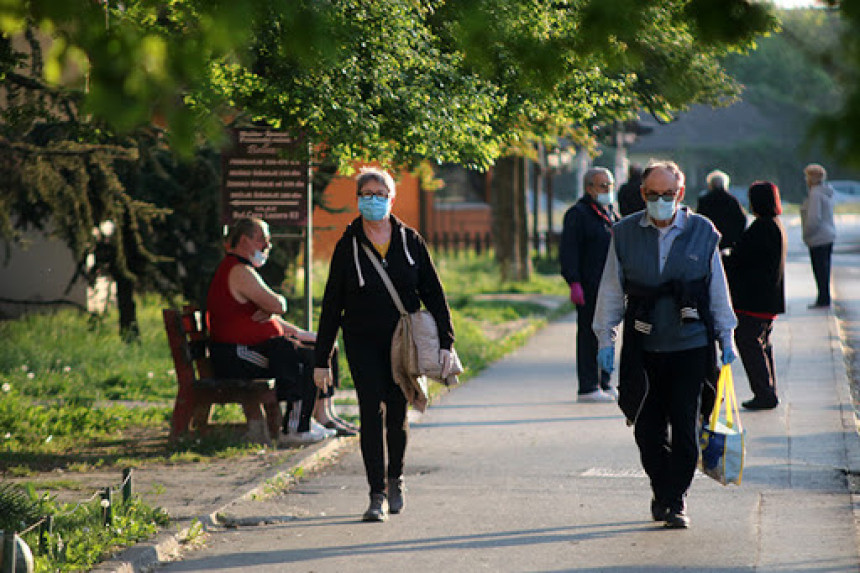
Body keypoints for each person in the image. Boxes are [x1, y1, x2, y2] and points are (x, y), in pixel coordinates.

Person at [593, 160, 737, 529]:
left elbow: (716, 291)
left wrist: (727, 336)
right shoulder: (624, 233)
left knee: (686, 428)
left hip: (691, 345)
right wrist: (604, 338)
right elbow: (611, 289)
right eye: (653, 195)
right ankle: (662, 488)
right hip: (644, 347)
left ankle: (676, 500)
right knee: (647, 430)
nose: (661, 201)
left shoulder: (702, 232)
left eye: (668, 195)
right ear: (642, 194)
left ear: (681, 194)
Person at [312, 167, 456, 522]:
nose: (373, 200)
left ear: (391, 199)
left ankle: (396, 479)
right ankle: (376, 494)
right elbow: (332, 303)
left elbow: (434, 293)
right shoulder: (349, 244)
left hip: (402, 342)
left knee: (396, 411)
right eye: (366, 194)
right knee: (370, 412)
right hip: (361, 340)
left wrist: (446, 342)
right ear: (358, 198)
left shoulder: (410, 241)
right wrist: (322, 358)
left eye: (380, 194)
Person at [207, 217, 338, 446]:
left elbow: (272, 313)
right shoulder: (238, 270)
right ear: (245, 240)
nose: (267, 246)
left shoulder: (244, 269)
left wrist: (296, 330)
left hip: (249, 348)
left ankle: (304, 421)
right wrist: (273, 306)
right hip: (236, 354)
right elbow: (278, 305)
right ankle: (296, 427)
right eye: (263, 240)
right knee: (299, 358)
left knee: (308, 350)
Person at [723, 181, 786, 411]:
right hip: (767, 300)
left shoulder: (761, 227)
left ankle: (763, 392)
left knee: (749, 342)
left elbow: (740, 260)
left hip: (754, 300)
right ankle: (768, 390)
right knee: (762, 344)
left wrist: (725, 257)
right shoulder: (774, 224)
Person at [559, 167, 620, 402]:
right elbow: (569, 251)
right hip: (589, 285)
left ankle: (605, 381)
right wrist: (574, 281)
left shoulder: (609, 212)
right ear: (589, 188)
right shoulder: (579, 214)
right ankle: (588, 385)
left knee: (607, 334)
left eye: (610, 185)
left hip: (610, 286)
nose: (607, 190)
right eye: (602, 185)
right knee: (589, 335)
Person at [800, 163, 836, 309]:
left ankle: (822, 299)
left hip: (818, 237)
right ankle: (824, 297)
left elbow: (814, 218)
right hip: (828, 235)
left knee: (819, 269)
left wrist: (806, 234)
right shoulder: (825, 192)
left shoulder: (815, 194)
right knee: (825, 269)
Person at [695, 169, 747, 252]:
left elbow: (698, 221)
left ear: (710, 185)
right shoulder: (732, 201)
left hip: (708, 243)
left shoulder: (704, 201)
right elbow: (742, 220)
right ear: (725, 185)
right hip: (727, 244)